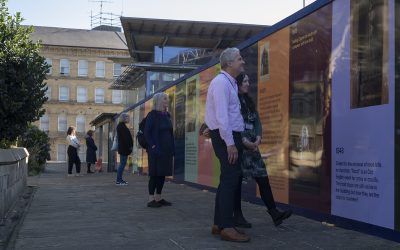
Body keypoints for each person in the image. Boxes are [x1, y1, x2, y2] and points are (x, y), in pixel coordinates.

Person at [205, 47, 250, 243]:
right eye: (239, 59)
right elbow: (222, 117)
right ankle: (227, 226)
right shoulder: (222, 83)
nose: (243, 62)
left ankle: (219, 224)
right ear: (229, 63)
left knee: (227, 180)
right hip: (227, 137)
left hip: (229, 136)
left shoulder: (227, 82)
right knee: (230, 181)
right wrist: (230, 143)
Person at [234, 73, 292, 226]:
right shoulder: (234, 101)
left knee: (263, 177)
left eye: (248, 80)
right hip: (241, 148)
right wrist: (244, 141)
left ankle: (274, 213)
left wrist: (258, 137)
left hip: (253, 148)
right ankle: (237, 216)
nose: (248, 83)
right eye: (245, 81)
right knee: (237, 182)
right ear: (238, 83)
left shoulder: (249, 101)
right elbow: (233, 122)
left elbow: (257, 121)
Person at [144, 92, 174, 208]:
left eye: (167, 99)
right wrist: (153, 146)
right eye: (165, 99)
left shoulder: (167, 115)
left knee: (162, 174)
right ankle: (151, 199)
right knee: (155, 174)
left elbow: (170, 133)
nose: (167, 100)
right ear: (159, 101)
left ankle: (158, 197)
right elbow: (147, 133)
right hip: (156, 150)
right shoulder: (152, 115)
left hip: (166, 150)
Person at [115, 113, 133, 186]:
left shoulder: (121, 126)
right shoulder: (122, 126)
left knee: (122, 164)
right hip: (124, 148)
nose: (129, 119)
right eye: (127, 118)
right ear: (124, 118)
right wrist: (129, 146)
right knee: (122, 164)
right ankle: (118, 180)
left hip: (123, 148)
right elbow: (126, 139)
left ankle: (120, 179)